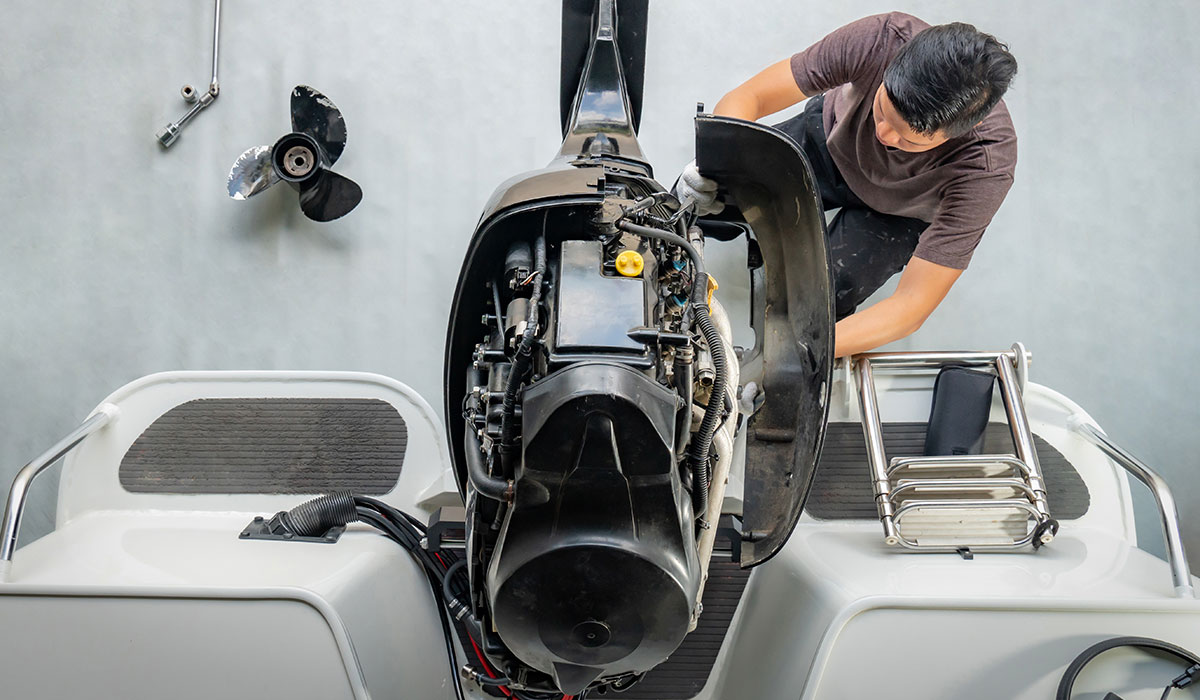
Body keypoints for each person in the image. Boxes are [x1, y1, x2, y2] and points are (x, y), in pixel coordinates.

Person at [677, 12, 1018, 357]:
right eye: (883, 110)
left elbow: (911, 306)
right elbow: (751, 97)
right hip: (828, 141)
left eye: (908, 139)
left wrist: (803, 354)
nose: (882, 135)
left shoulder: (985, 166)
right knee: (699, 203)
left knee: (814, 303)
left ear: (955, 135)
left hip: (898, 212)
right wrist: (719, 160)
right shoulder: (881, 39)